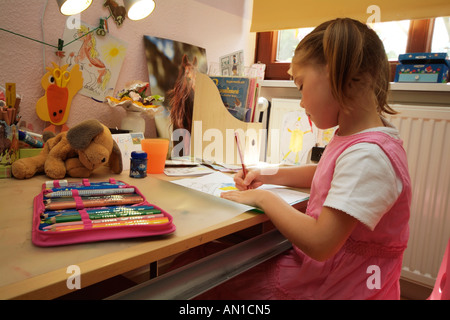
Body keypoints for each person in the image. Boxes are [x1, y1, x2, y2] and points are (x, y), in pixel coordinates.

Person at [199, 18, 412, 300]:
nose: (301, 101)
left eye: (300, 85)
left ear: (341, 76)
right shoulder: (358, 139)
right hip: (329, 275)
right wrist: (267, 173)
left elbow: (321, 242)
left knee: (207, 280)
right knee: (210, 263)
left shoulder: (369, 156)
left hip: (339, 287)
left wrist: (264, 198)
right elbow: (326, 172)